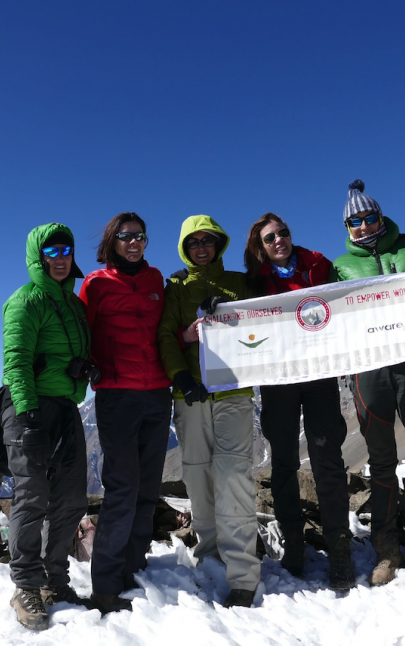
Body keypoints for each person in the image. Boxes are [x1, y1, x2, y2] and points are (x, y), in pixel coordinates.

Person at [332, 180, 405, 587]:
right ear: (347, 228)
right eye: (355, 222)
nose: (363, 226)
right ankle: (386, 549)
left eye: (369, 218)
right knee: (380, 461)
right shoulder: (341, 266)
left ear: (380, 216)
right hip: (369, 371)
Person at [243, 213, 355, 590]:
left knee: (328, 457)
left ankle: (339, 546)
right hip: (278, 382)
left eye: (283, 233)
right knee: (285, 462)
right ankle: (293, 543)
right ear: (260, 246)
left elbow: (346, 303)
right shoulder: (254, 282)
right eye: (270, 237)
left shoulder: (318, 265)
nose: (279, 240)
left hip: (320, 375)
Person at [157, 215, 260, 608]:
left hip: (233, 391)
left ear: (219, 244)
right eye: (194, 242)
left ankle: (243, 575)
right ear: (185, 247)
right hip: (190, 396)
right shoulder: (175, 287)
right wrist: (181, 374)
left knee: (233, 476)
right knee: (198, 479)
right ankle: (210, 557)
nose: (202, 247)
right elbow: (167, 334)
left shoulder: (240, 283)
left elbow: (263, 321)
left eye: (208, 241)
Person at [1, 223, 92, 631]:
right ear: (38, 256)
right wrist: (28, 413)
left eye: (66, 250)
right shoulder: (25, 301)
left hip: (66, 408)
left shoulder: (74, 306)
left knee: (71, 499)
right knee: (32, 497)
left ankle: (56, 581)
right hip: (30, 409)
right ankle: (26, 586)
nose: (60, 257)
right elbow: (16, 361)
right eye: (52, 251)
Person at [79, 212, 172, 614]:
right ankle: (106, 583)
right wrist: (86, 364)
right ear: (112, 242)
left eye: (140, 237)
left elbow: (167, 328)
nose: (134, 242)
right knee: (123, 488)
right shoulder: (96, 284)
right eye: (126, 236)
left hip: (157, 392)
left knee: (149, 487)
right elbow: (81, 331)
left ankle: (134, 564)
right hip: (117, 395)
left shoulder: (155, 281)